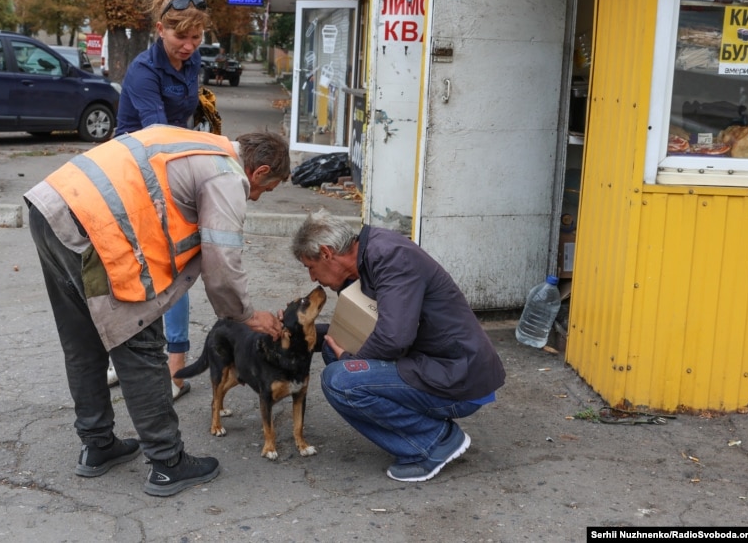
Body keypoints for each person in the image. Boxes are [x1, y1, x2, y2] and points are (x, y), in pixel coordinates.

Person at [25, 125, 290, 496]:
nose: (258, 197)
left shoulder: (191, 142)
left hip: (52, 207)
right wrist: (246, 315)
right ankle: (167, 463)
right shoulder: (227, 174)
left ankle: (98, 445)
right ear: (259, 171)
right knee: (140, 344)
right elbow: (222, 259)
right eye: (265, 189)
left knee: (83, 342)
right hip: (97, 232)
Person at [291, 209, 506, 483]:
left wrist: (351, 361)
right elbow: (369, 332)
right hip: (435, 362)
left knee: (340, 379)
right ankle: (424, 431)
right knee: (337, 353)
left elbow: (394, 338)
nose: (312, 278)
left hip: (459, 376)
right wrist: (297, 334)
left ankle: (432, 442)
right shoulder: (369, 255)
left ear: (326, 253)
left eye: (310, 267)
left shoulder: (391, 257)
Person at [115, 0, 209, 400]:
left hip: (172, 168)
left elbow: (183, 123)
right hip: (132, 171)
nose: (189, 45)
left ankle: (175, 369)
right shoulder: (142, 71)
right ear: (160, 29)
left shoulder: (191, 62)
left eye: (196, 36)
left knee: (173, 270)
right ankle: (124, 358)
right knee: (132, 270)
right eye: (180, 36)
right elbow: (156, 135)